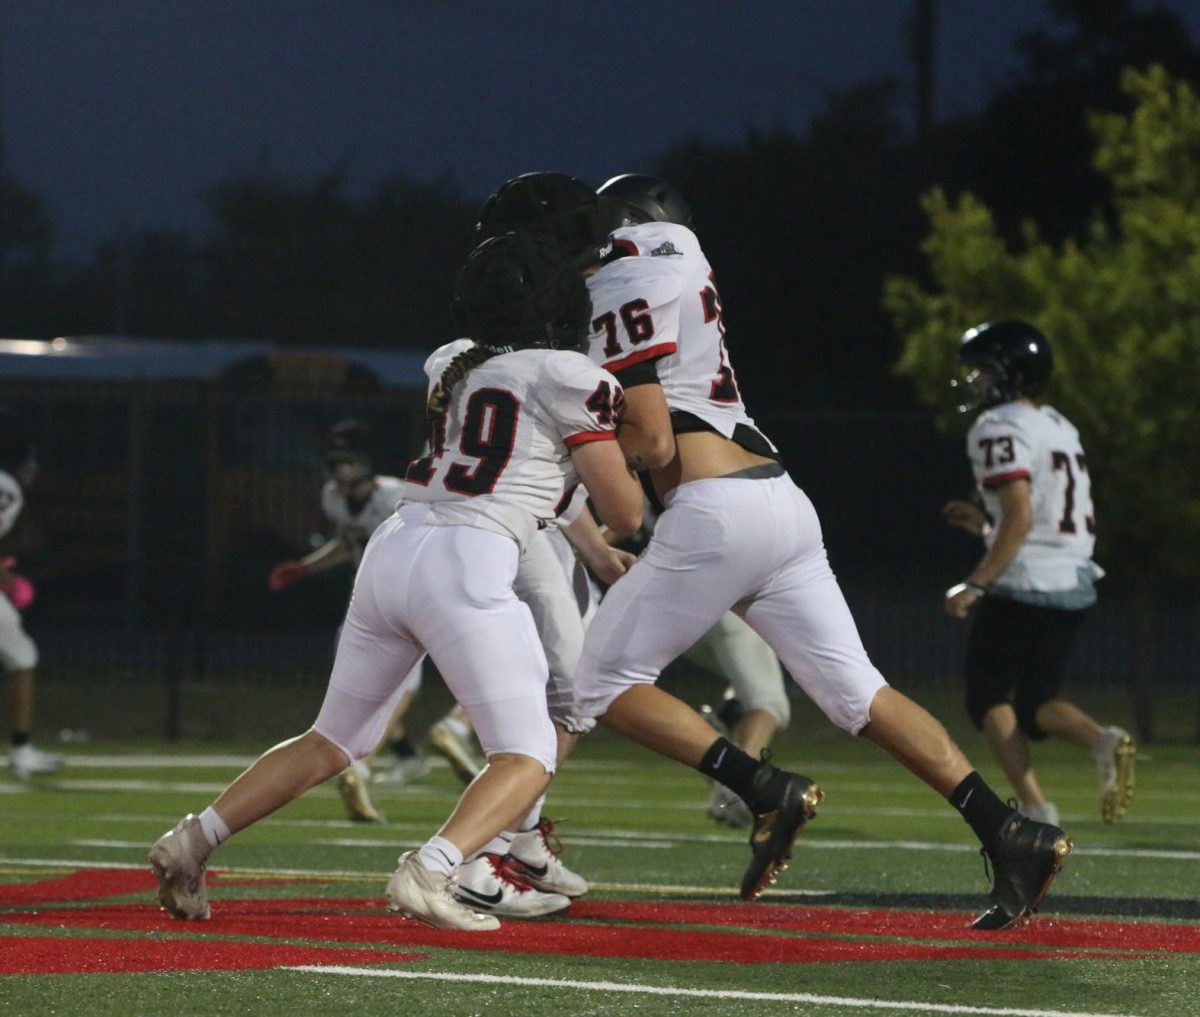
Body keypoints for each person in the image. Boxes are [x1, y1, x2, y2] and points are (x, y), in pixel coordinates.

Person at [481, 170, 1072, 930]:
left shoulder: (626, 278)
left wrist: (574, 449)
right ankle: (1009, 830)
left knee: (596, 685)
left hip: (714, 511)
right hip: (780, 502)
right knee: (859, 693)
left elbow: (652, 440)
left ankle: (763, 788)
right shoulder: (675, 261)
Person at [148, 232, 643, 931]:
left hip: (397, 544)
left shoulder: (453, 361)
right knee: (529, 755)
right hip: (470, 557)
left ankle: (191, 840)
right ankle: (432, 868)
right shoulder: (571, 374)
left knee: (332, 738)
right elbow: (625, 512)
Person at [943, 319, 1135, 826]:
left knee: (986, 695)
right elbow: (1042, 515)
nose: (978, 381)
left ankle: (1035, 807)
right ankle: (1103, 740)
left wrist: (977, 583)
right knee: (1036, 704)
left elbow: (1023, 518)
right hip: (1074, 578)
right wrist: (985, 525)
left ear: (1010, 373)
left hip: (1025, 578)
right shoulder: (1059, 425)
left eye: (986, 371)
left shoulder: (997, 426)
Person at [0, 405, 64, 781]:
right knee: (23, 655)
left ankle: (23, 749)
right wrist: (7, 581)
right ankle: (22, 751)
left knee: (22, 653)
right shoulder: (7, 488)